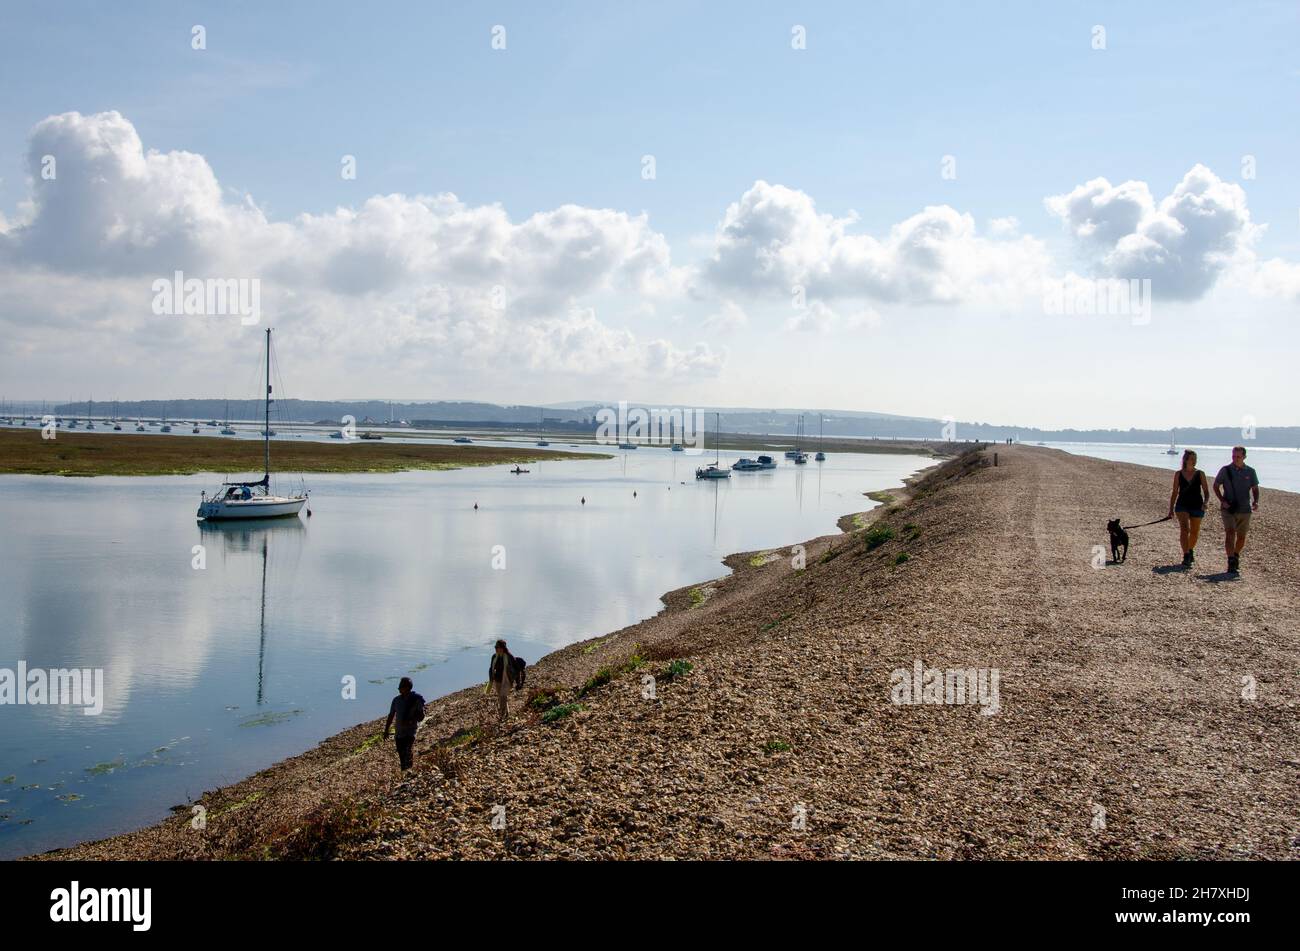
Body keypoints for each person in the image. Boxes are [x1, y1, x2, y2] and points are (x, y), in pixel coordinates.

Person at [1212, 446, 1260, 575]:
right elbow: (1216, 486)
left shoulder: (1250, 471)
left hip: (1245, 509)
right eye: (1233, 456)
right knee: (1230, 533)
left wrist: (1255, 501)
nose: (1235, 459)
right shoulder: (1225, 470)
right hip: (1229, 509)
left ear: (1244, 457)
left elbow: (1255, 488)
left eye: (1238, 457)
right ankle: (1231, 560)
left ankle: (1236, 554)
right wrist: (1222, 500)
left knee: (1242, 537)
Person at [1167, 449, 1210, 567]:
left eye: (1195, 459)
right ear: (1186, 460)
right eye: (1191, 458)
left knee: (1195, 532)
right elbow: (1175, 492)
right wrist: (1171, 509)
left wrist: (1206, 502)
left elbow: (1206, 491)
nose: (1194, 461)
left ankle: (1190, 549)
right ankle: (1186, 554)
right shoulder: (1178, 474)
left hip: (1197, 504)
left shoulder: (1200, 473)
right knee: (1185, 529)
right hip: (1182, 505)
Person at [383, 677, 425, 771]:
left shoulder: (416, 699)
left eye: (401, 687)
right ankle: (405, 771)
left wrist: (411, 718)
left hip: (410, 732)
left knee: (407, 750)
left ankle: (409, 770)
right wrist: (386, 730)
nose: (399, 689)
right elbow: (391, 715)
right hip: (399, 733)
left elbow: (421, 716)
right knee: (401, 754)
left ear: (407, 687)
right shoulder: (396, 700)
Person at [488, 639, 516, 721]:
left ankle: (502, 715)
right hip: (497, 680)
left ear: (502, 648)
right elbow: (491, 668)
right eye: (495, 647)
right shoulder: (494, 656)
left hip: (506, 680)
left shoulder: (509, 657)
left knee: (503, 697)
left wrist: (514, 679)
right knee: (501, 697)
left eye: (497, 647)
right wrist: (490, 680)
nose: (496, 649)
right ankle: (507, 712)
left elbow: (514, 668)